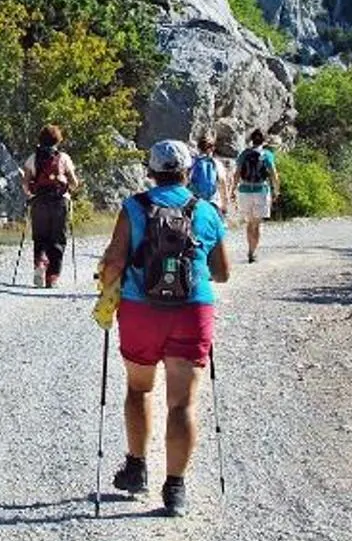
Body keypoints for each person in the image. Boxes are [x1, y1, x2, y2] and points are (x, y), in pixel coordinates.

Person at [92, 139, 233, 514]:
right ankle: (175, 490)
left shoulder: (134, 207)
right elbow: (222, 272)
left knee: (139, 389)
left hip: (141, 310)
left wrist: (105, 282)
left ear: (151, 172)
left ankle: (136, 468)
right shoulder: (205, 210)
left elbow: (114, 263)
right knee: (183, 402)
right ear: (187, 172)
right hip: (192, 310)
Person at [20, 124, 78, 288]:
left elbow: (25, 183)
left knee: (40, 238)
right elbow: (74, 183)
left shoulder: (33, 158)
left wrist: (31, 194)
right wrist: (66, 185)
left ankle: (40, 262)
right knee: (58, 239)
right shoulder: (64, 158)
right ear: (57, 140)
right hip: (60, 202)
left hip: (39, 201)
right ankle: (52, 277)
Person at [232, 127, 276, 263]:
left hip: (245, 190)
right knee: (257, 224)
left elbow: (237, 173)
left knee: (249, 223)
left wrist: (233, 189)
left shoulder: (244, 154)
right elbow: (274, 174)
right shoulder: (266, 154)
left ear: (251, 139)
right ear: (265, 140)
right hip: (261, 190)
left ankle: (250, 249)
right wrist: (276, 190)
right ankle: (252, 252)